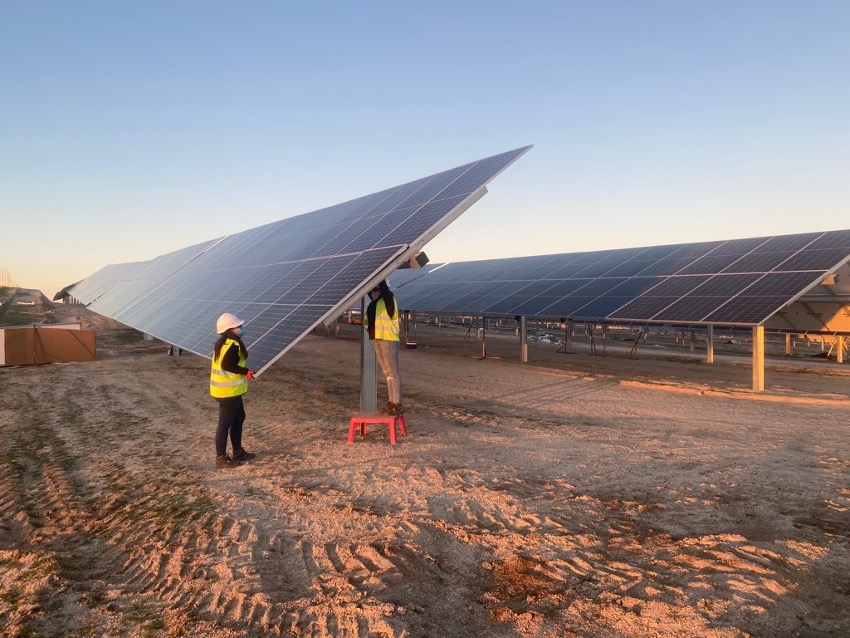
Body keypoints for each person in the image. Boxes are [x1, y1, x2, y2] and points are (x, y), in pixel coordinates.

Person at [210, 312, 257, 469]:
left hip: (231, 391)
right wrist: (246, 372)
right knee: (225, 423)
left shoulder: (225, 343)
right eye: (239, 326)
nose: (241, 328)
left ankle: (238, 452)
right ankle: (221, 458)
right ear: (231, 329)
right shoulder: (232, 345)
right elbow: (227, 365)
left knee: (239, 418)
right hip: (227, 392)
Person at [364, 280, 403, 415]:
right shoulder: (374, 304)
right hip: (377, 340)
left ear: (380, 290)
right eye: (372, 291)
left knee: (393, 373)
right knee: (387, 374)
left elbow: (384, 290)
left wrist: (380, 278)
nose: (373, 293)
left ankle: (396, 404)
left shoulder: (388, 300)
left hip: (388, 340)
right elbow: (369, 292)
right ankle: (391, 403)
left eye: (376, 290)